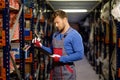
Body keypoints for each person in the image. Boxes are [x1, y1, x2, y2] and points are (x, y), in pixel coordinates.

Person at [32, 10, 84, 80]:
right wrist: (40, 46)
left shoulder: (74, 35)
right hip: (54, 71)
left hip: (67, 72)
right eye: (55, 23)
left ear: (65, 20)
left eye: (57, 22)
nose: (56, 25)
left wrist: (61, 58)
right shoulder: (55, 35)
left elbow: (80, 54)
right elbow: (51, 51)